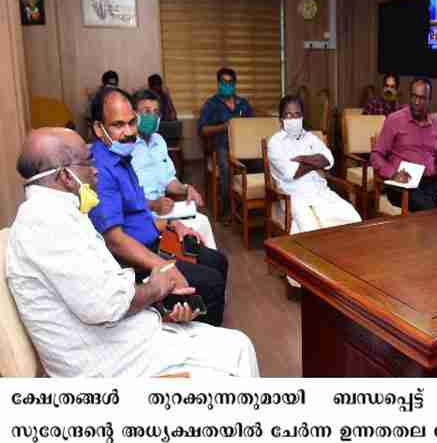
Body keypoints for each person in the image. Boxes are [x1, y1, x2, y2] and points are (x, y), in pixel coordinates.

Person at [7, 127, 259, 378]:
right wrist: (156, 288)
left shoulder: (60, 213)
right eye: (87, 162)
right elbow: (104, 305)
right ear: (65, 176)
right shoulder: (46, 224)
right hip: (107, 363)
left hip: (120, 340)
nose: (95, 170)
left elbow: (101, 290)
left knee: (236, 343)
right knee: (237, 350)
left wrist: (162, 312)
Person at [88, 86, 228, 328]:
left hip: (154, 242)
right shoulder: (100, 168)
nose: (129, 132)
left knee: (218, 261)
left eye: (132, 123)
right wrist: (161, 265)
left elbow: (138, 213)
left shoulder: (121, 157)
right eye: (118, 125)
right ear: (99, 128)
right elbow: (114, 240)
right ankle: (198, 340)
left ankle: (201, 324)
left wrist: (174, 224)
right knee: (212, 281)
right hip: (136, 262)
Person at [131, 89, 216, 249]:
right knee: (199, 227)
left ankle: (204, 261)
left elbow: (168, 180)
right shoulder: (128, 148)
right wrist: (154, 204)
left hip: (164, 209)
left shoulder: (159, 141)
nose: (152, 116)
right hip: (143, 214)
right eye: (146, 112)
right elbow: (127, 199)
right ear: (134, 115)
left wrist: (186, 188)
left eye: (156, 112)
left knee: (202, 221)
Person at [371, 78, 437, 212]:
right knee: (431, 211)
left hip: (431, 183)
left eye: (422, 98)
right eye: (414, 97)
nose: (416, 102)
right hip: (403, 186)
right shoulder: (394, 120)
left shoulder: (436, 127)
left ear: (429, 100)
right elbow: (376, 156)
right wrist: (393, 174)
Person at [268, 95, 362, 234]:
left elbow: (329, 160)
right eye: (288, 115)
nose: (293, 119)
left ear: (302, 117)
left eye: (297, 114)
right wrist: (315, 162)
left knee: (354, 219)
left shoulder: (311, 138)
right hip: (295, 197)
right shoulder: (275, 143)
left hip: (321, 192)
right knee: (312, 231)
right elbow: (292, 173)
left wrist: (302, 159)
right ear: (281, 119)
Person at [198, 67, 254, 220]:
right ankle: (227, 209)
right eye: (224, 82)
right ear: (218, 84)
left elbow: (253, 123)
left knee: (260, 163)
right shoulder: (211, 104)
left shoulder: (243, 103)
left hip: (244, 145)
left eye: (230, 82)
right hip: (222, 145)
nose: (227, 85)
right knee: (225, 167)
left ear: (235, 84)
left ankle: (250, 205)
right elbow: (202, 130)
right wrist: (222, 127)